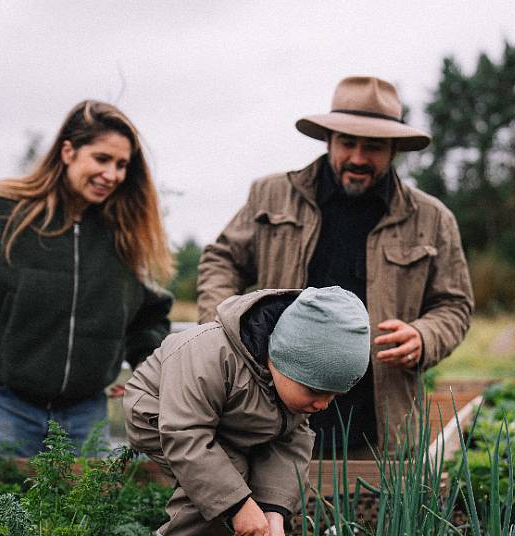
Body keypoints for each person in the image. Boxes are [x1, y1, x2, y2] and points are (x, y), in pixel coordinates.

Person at [198, 75, 474, 457]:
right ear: (328, 140)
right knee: (273, 515)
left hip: (377, 421)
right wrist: (228, 333)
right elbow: (221, 261)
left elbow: (455, 305)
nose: (358, 158)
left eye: (374, 147)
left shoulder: (431, 218)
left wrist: (424, 336)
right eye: (347, 143)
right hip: (272, 410)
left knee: (371, 516)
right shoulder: (272, 195)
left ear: (394, 149)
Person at [0, 100, 174, 457]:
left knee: (83, 515)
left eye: (122, 165)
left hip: (85, 417)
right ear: (68, 151)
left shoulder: (122, 233)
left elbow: (149, 314)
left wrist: (145, 371)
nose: (113, 175)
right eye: (102, 159)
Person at [124, 286, 370, 536]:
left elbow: (290, 444)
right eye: (315, 391)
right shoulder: (206, 355)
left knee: (251, 488)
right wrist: (238, 506)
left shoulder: (295, 382)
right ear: (280, 358)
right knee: (228, 478)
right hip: (160, 413)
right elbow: (186, 435)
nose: (323, 404)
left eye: (334, 395)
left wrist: (272, 512)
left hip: (231, 423)